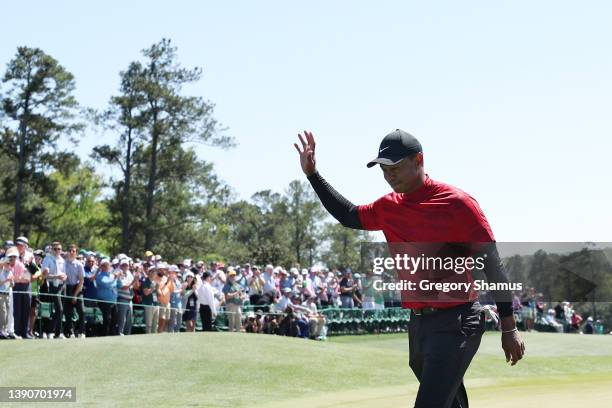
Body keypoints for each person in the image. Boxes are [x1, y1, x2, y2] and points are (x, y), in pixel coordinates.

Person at [295, 129, 524, 408]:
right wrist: (312, 175)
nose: (389, 175)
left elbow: (493, 265)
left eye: (395, 167)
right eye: (383, 169)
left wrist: (509, 327)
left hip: (458, 320)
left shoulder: (457, 204)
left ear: (418, 160)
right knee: (449, 402)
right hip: (419, 324)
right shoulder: (388, 207)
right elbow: (348, 215)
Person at [42, 242, 67, 339]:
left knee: (59, 310)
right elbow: (45, 275)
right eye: (55, 249)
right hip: (51, 285)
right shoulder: (47, 259)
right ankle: (49, 331)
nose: (57, 251)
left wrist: (64, 277)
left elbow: (64, 274)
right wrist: (56, 276)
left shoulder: (62, 260)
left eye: (59, 249)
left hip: (61, 286)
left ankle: (57, 332)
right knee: (59, 309)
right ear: (52, 249)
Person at [63, 244, 86, 338]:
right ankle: (71, 332)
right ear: (67, 252)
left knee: (82, 311)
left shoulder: (79, 265)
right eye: (70, 251)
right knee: (67, 312)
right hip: (67, 288)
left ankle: (81, 332)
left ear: (76, 253)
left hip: (77, 288)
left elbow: (81, 281)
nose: (72, 253)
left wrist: (75, 295)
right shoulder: (63, 263)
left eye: (74, 251)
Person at [95, 258, 118, 336]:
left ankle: (112, 335)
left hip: (113, 301)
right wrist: (115, 278)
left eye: (107, 265)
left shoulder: (112, 275)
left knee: (114, 319)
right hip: (104, 301)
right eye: (104, 265)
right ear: (101, 266)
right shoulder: (99, 276)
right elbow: (106, 284)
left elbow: (119, 285)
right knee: (107, 319)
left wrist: (119, 277)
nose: (106, 266)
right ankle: (104, 335)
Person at [141, 267, 160, 334]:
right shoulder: (145, 281)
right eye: (153, 271)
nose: (155, 273)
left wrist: (157, 288)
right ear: (150, 272)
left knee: (155, 324)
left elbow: (159, 294)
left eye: (155, 271)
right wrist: (152, 288)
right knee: (149, 324)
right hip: (148, 304)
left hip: (156, 304)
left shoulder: (155, 282)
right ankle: (148, 338)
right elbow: (146, 293)